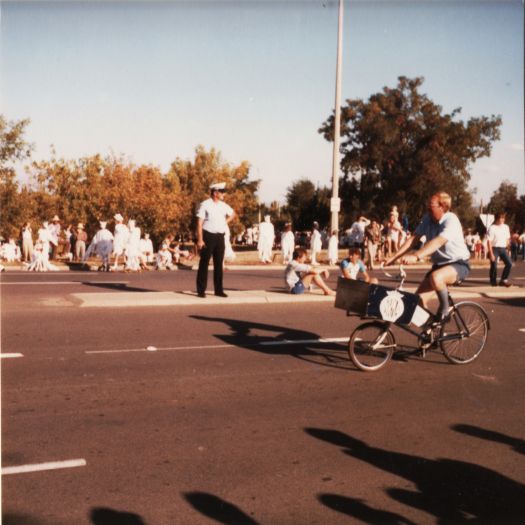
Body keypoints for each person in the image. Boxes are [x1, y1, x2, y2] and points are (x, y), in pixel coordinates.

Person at [385, 191, 470, 321]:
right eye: (427, 206)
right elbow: (413, 239)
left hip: (458, 263)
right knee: (416, 303)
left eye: (431, 207)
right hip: (439, 265)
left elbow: (438, 242)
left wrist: (416, 256)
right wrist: (393, 258)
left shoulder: (451, 221)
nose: (428, 209)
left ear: (443, 207)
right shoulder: (427, 219)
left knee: (436, 277)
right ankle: (431, 330)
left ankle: (444, 309)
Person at [196, 182, 236, 298]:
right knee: (204, 263)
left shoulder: (223, 205)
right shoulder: (205, 204)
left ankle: (218, 290)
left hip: (220, 237)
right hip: (208, 236)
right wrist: (200, 240)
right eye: (222, 192)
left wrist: (225, 222)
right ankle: (201, 290)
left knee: (219, 264)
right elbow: (199, 223)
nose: (224, 194)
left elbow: (233, 214)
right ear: (215, 193)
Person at [487, 212, 512, 287]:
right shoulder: (492, 228)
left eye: (503, 218)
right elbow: (489, 241)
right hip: (495, 249)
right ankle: (493, 281)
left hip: (503, 248)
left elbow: (507, 239)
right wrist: (491, 253)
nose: (502, 220)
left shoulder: (506, 227)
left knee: (509, 263)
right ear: (497, 219)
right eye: (500, 218)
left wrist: (508, 249)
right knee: (494, 265)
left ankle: (503, 280)